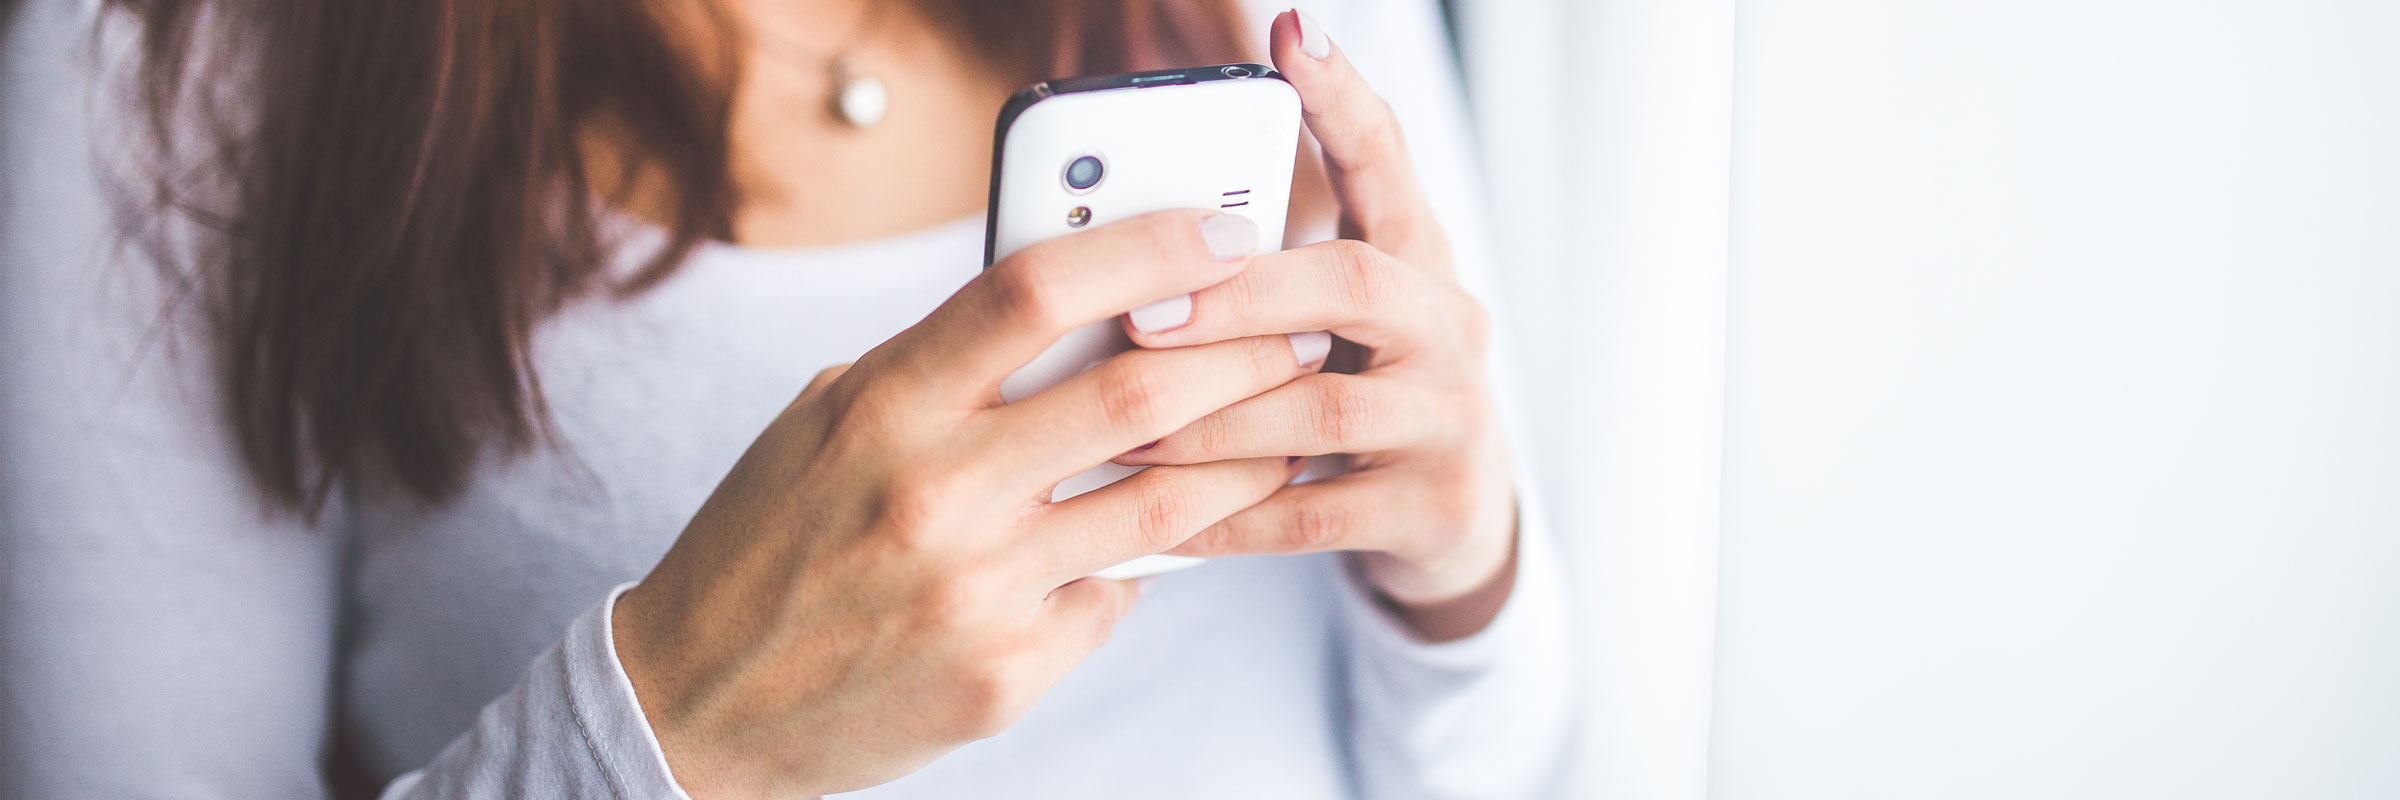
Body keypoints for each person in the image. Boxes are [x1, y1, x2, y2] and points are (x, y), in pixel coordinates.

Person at [0, 0, 1573, 796]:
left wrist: (1459, 572)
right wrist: (680, 726)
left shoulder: (1281, 17)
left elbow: (1497, 759)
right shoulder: (172, 68)